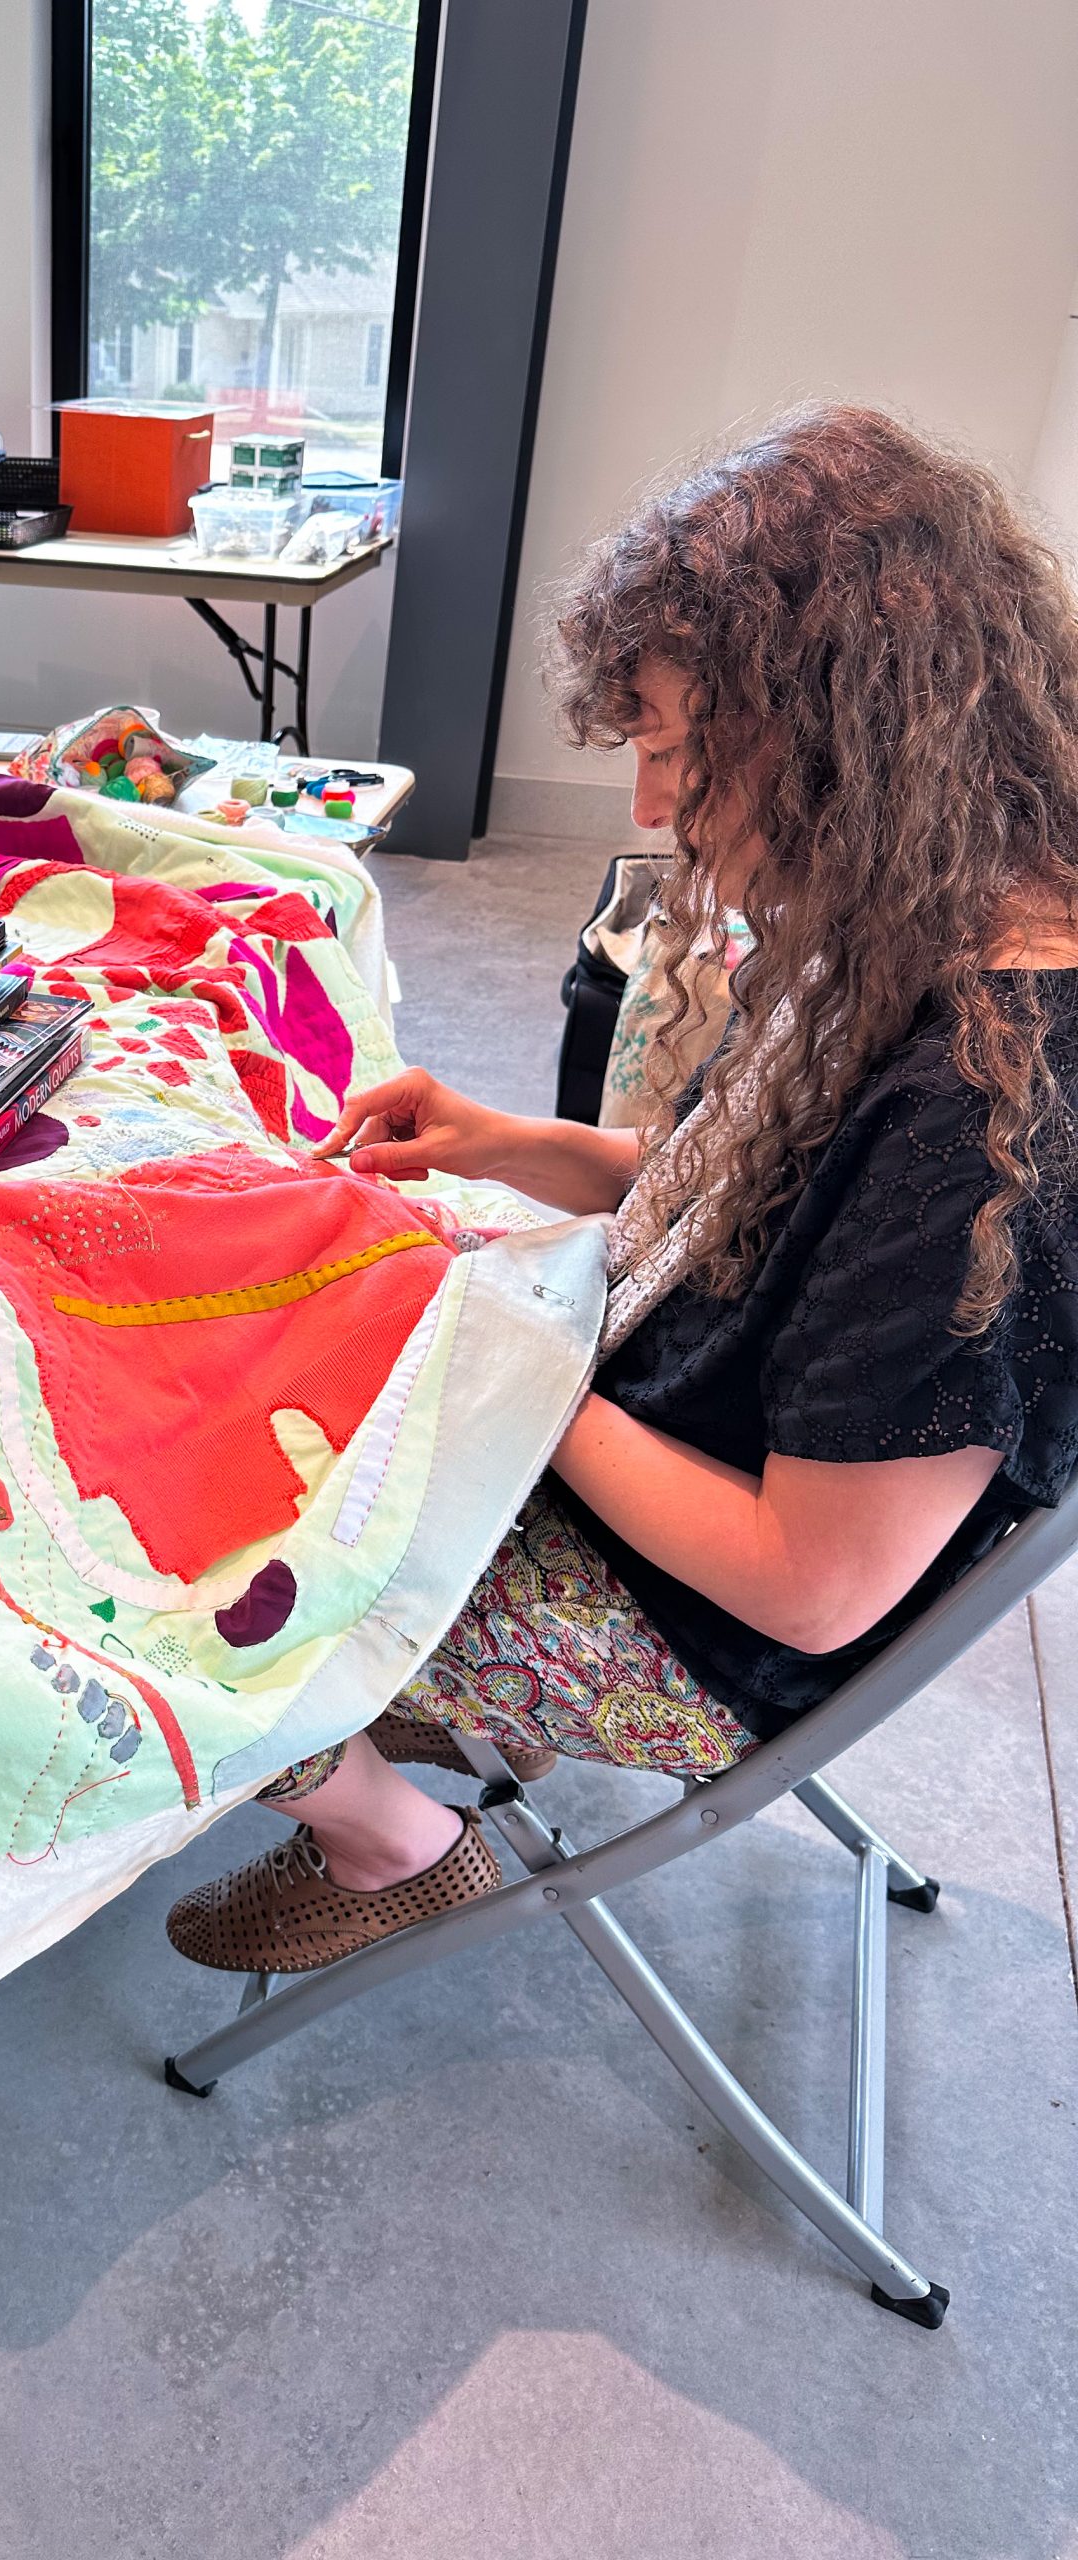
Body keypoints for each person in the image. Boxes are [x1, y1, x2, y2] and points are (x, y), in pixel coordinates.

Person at [166, 405, 1078, 1974]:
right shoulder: (924, 919)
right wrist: (500, 1140)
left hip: (698, 1630)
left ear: (845, 719)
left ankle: (394, 1837)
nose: (654, 811)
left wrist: (500, 1365)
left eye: (674, 747)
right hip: (643, 1419)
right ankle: (376, 1750)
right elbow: (755, 1207)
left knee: (140, 1538)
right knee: (229, 1311)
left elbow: (809, 1590)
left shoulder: (991, 1118)